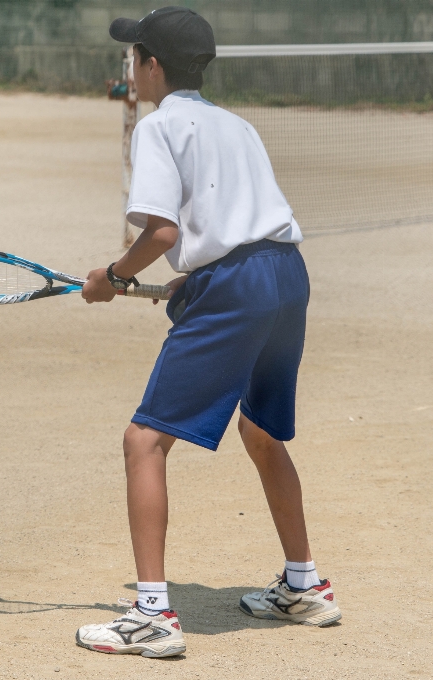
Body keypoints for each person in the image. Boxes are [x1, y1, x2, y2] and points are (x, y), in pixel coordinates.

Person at [76, 6, 341, 658]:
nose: (129, 68)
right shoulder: (237, 124)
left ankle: (150, 618)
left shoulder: (160, 125)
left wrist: (111, 275)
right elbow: (240, 223)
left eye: (133, 56)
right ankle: (303, 585)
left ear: (153, 65)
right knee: (260, 431)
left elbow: (162, 232)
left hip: (238, 287)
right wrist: (192, 278)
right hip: (285, 275)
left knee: (143, 442)